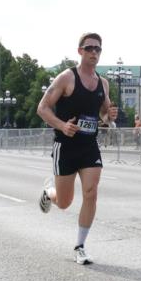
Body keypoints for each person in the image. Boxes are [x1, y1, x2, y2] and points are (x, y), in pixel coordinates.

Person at [37, 33, 118, 265]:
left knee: (91, 192)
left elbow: (103, 114)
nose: (94, 52)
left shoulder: (103, 83)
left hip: (89, 145)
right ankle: (48, 193)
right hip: (66, 146)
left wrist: (108, 115)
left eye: (98, 49)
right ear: (80, 51)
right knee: (64, 203)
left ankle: (80, 246)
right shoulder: (66, 78)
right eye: (90, 48)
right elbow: (42, 108)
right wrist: (62, 126)